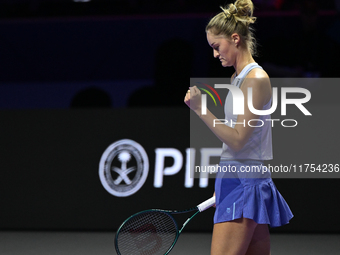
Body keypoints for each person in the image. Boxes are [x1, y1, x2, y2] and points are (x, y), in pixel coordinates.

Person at [184, 1, 293, 254]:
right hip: (236, 178)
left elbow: (238, 140)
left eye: (216, 47)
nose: (215, 54)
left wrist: (201, 110)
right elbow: (233, 141)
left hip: (246, 183)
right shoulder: (237, 78)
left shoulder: (256, 79)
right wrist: (222, 181)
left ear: (235, 39)